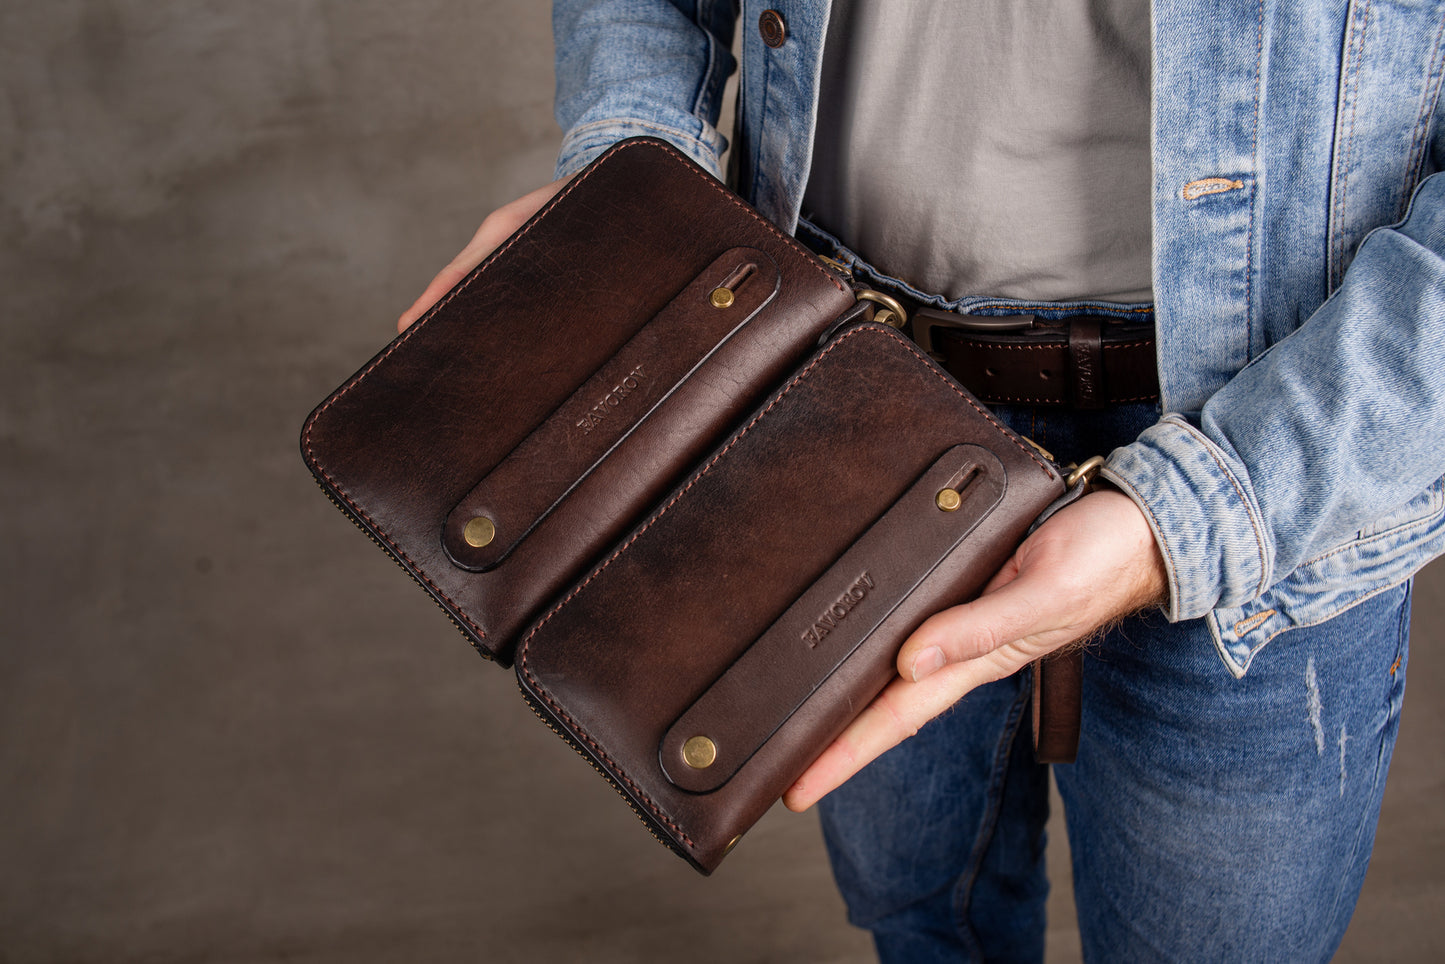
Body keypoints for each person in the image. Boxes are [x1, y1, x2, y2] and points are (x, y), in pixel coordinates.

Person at [400, 2, 1445, 959]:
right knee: (920, 921)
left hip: (1280, 447)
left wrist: (1193, 514)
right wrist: (630, 188)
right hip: (837, 398)